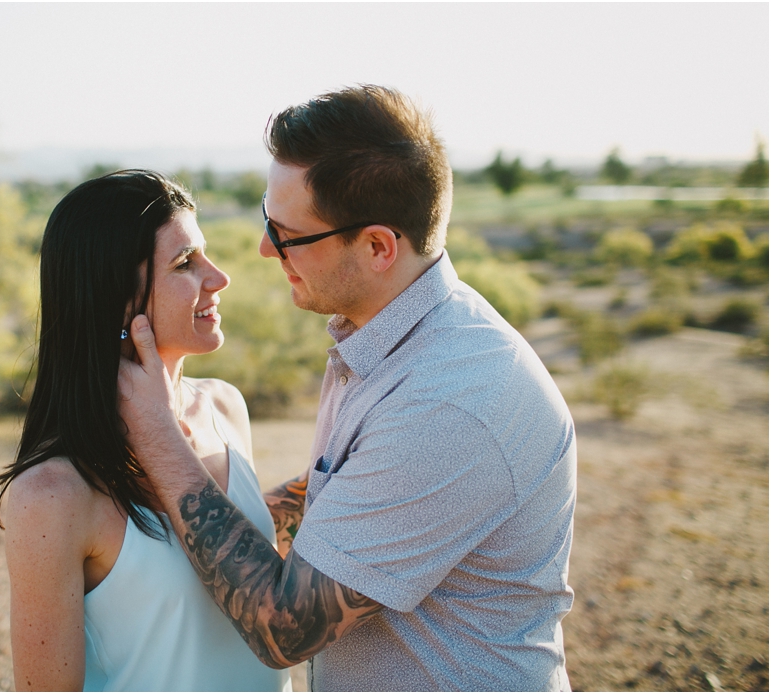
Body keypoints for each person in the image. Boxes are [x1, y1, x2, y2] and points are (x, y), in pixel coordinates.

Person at [117, 85, 577, 691]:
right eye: (266, 219)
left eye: (288, 235)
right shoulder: (394, 341)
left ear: (379, 246)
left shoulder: (449, 401)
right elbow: (345, 488)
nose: (263, 249)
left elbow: (283, 629)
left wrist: (156, 436)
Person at [0, 170, 291, 692]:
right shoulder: (52, 493)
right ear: (114, 297)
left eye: (205, 254)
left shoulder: (225, 408)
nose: (218, 278)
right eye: (184, 263)